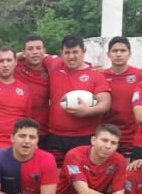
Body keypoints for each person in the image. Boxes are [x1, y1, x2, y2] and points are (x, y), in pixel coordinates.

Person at [44, 34, 111, 166]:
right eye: (67, 52)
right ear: (61, 53)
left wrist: (88, 111)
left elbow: (105, 104)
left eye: (75, 52)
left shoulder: (96, 75)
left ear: (84, 51)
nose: (71, 56)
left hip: (85, 136)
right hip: (56, 136)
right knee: (57, 179)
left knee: (82, 177)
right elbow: (31, 54)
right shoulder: (54, 64)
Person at [101, 36, 142, 157]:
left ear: (129, 53)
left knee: (127, 173)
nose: (119, 54)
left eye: (123, 51)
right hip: (107, 134)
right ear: (108, 54)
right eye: (115, 51)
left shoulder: (141, 75)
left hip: (131, 135)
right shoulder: (100, 75)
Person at [15, 35, 51, 138]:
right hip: (20, 130)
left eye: (38, 48)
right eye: (30, 49)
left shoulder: (51, 69)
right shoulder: (14, 66)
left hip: (44, 131)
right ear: (24, 53)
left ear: (44, 51)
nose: (35, 52)